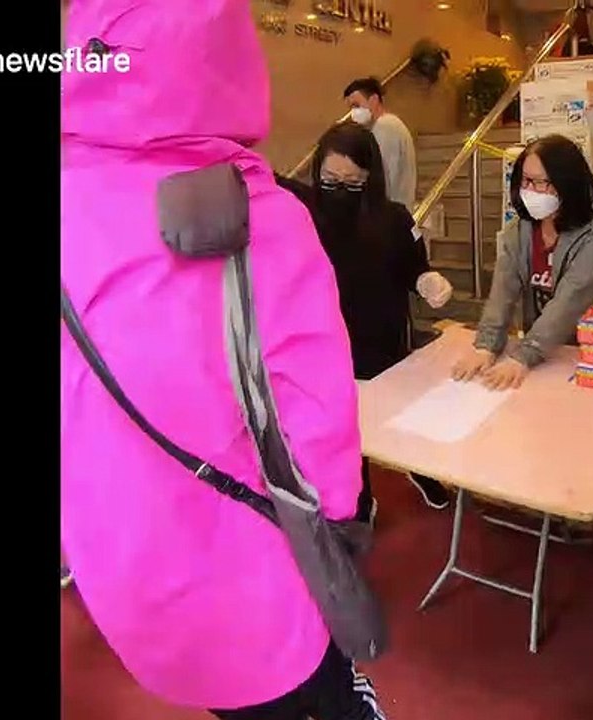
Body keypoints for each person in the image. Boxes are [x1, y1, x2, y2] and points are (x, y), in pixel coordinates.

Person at [60, 1, 384, 719]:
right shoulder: (265, 216)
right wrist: (341, 526)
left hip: (121, 571)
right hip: (256, 581)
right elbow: (318, 416)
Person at [277, 122, 455, 513]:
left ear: (370, 177)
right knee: (348, 428)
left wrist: (427, 281)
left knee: (400, 414)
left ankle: (421, 469)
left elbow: (415, 268)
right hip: (328, 339)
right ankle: (361, 501)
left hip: (384, 336)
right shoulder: (301, 208)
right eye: (331, 179)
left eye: (353, 182)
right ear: (318, 170)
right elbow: (259, 177)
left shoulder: (394, 218)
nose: (340, 189)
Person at [451, 134, 593, 390]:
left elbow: (570, 300)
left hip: (590, 349)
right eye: (526, 181)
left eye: (541, 183)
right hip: (542, 352)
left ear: (567, 184)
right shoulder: (518, 231)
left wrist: (526, 354)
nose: (531, 191)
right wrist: (486, 345)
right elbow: (503, 291)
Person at [344, 76, 417, 211]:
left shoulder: (385, 127)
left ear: (374, 100)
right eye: (351, 108)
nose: (354, 113)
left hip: (390, 211)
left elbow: (383, 175)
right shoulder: (390, 125)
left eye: (356, 105)